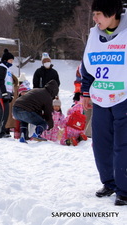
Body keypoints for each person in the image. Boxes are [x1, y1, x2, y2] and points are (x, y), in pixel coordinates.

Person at [81, 0, 127, 205]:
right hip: (100, 97)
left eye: (98, 14)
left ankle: (124, 190)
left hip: (123, 97)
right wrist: (85, 92)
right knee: (101, 144)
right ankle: (109, 182)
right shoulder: (94, 35)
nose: (95, 18)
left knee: (122, 145)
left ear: (112, 13)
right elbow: (87, 65)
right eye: (94, 14)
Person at [0, 49, 15, 138]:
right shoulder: (0, 68)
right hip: (0, 93)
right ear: (5, 60)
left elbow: (9, 83)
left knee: (6, 113)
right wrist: (4, 93)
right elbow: (0, 81)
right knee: (1, 113)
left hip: (7, 94)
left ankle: (2, 131)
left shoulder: (7, 70)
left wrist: (11, 93)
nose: (12, 62)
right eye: (10, 60)